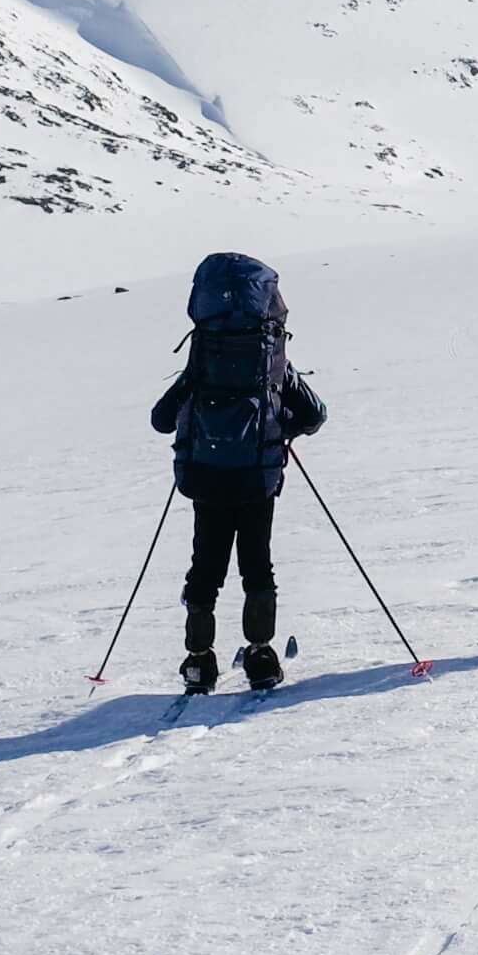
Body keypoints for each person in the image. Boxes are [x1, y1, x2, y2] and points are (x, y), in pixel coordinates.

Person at [149, 252, 328, 693]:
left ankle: (197, 661)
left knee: (205, 566)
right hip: (256, 478)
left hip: (206, 477)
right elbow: (315, 415)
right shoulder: (271, 363)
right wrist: (280, 426)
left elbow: (161, 419)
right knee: (256, 564)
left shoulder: (202, 362)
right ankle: (262, 657)